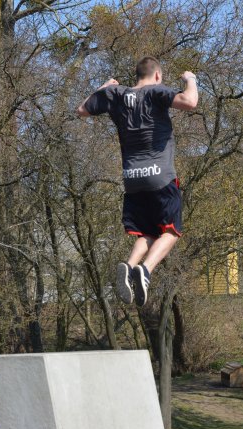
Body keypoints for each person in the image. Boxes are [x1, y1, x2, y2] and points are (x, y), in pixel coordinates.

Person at [76, 56, 199, 307]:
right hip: (160, 177)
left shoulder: (116, 94)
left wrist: (103, 87)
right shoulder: (156, 92)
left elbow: (82, 110)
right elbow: (190, 101)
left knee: (149, 232)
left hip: (132, 179)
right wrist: (191, 79)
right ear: (157, 76)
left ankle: (129, 265)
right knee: (172, 232)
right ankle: (145, 270)